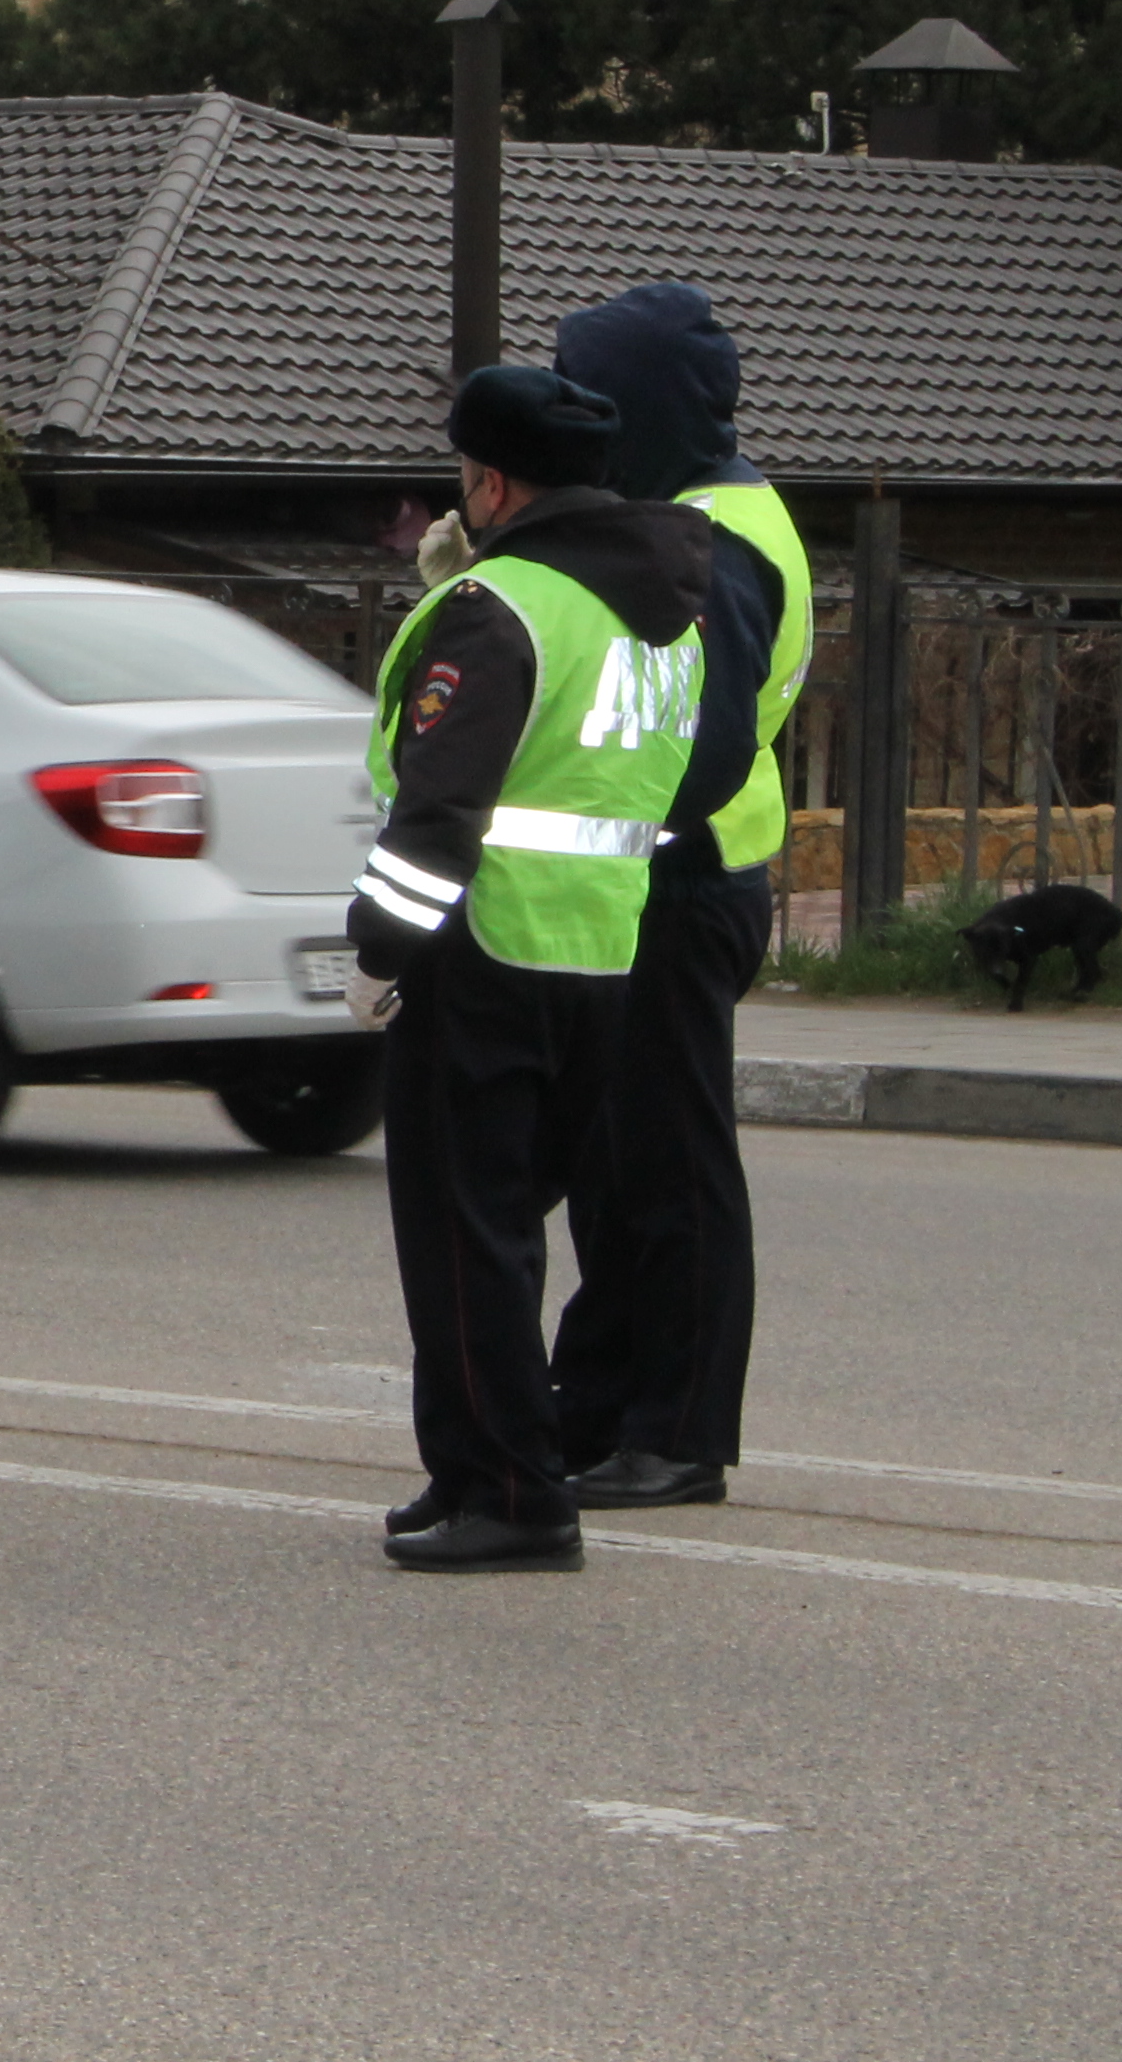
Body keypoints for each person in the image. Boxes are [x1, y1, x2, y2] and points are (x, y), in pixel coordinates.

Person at [343, 365, 709, 1575]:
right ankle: (470, 1465)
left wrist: (380, 953)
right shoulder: (667, 613)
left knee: (464, 1233)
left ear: (492, 481)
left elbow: (442, 809)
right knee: (500, 1229)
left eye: (464, 476)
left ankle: (511, 1489)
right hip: (600, 951)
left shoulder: (497, 607)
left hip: (482, 952)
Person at [544, 284, 805, 1510]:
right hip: (639, 888)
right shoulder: (673, 507)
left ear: (640, 405)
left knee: (673, 1167)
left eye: (592, 395)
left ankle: (682, 1432)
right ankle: (594, 1408)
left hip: (685, 886)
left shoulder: (721, 533)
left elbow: (703, 736)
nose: (577, 418)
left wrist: (615, 823)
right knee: (610, 1162)